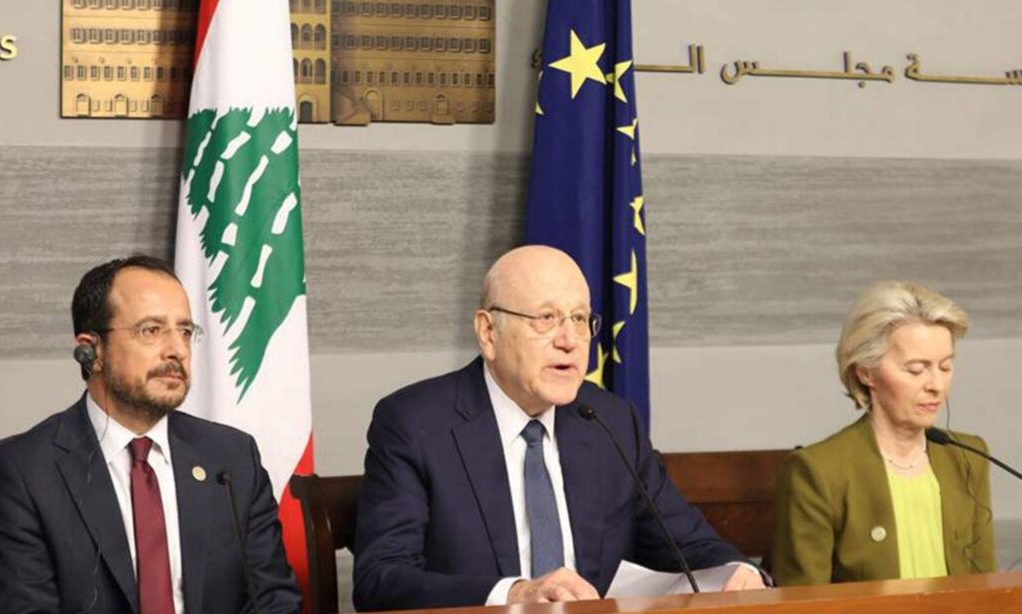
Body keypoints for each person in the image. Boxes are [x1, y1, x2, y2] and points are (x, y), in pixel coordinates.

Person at [353, 245, 764, 611]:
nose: (570, 340)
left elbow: (689, 544)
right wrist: (515, 595)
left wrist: (737, 570)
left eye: (581, 319)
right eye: (546, 318)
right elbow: (381, 581)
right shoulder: (415, 424)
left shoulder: (611, 422)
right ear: (488, 331)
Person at [0, 255, 302, 613]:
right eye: (151, 330)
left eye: (185, 331)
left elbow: (273, 602)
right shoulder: (24, 471)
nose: (177, 350)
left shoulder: (232, 458)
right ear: (91, 351)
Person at [771, 281, 995, 586]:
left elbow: (986, 588)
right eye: (916, 369)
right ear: (865, 371)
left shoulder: (969, 455)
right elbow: (802, 604)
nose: (936, 385)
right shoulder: (816, 471)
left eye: (945, 366)